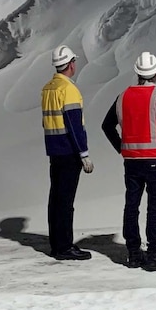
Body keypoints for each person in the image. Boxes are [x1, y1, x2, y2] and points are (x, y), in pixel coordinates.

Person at [102, 51, 156, 271]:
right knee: (155, 209)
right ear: (155, 72)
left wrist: (122, 147)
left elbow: (106, 125)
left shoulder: (123, 97)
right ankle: (154, 254)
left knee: (132, 206)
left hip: (132, 162)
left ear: (137, 73)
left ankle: (133, 254)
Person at [41, 44, 95, 261]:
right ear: (70, 64)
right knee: (65, 202)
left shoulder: (48, 88)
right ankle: (64, 247)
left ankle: (57, 244)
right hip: (69, 152)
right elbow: (74, 124)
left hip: (55, 151)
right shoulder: (69, 90)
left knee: (56, 199)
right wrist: (84, 154)